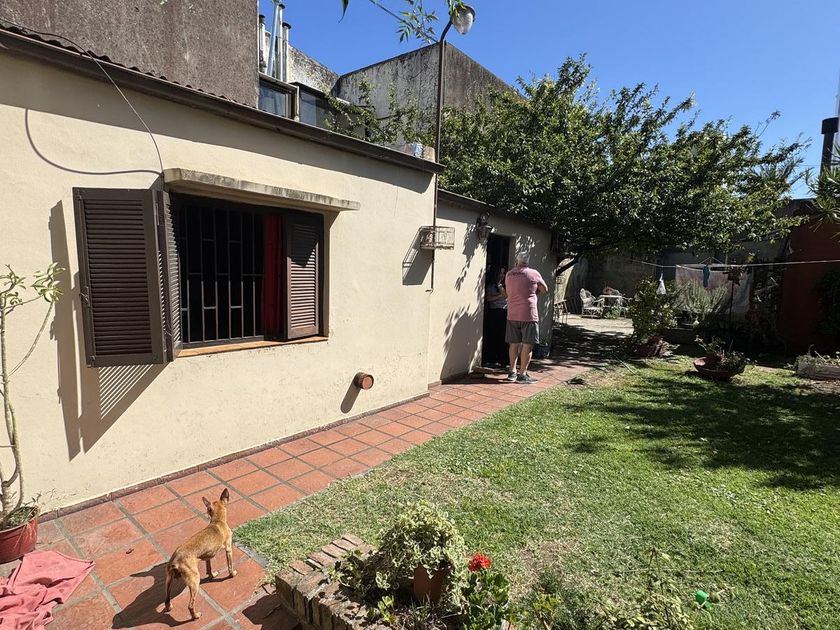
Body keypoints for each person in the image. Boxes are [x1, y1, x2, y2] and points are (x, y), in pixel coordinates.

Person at [505, 250, 548, 383]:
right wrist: (533, 292)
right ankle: (522, 374)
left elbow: (509, 291)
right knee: (528, 345)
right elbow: (544, 289)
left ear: (516, 261)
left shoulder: (509, 274)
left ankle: (512, 372)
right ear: (527, 262)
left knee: (514, 344)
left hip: (512, 313)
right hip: (528, 314)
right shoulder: (533, 273)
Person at [483, 267, 508, 367]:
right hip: (493, 312)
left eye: (503, 273)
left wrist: (499, 286)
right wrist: (499, 296)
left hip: (504, 312)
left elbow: (506, 295)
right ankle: (490, 359)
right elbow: (488, 298)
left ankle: (503, 360)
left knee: (503, 336)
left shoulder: (506, 285)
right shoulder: (491, 286)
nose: (501, 275)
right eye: (500, 273)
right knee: (492, 335)